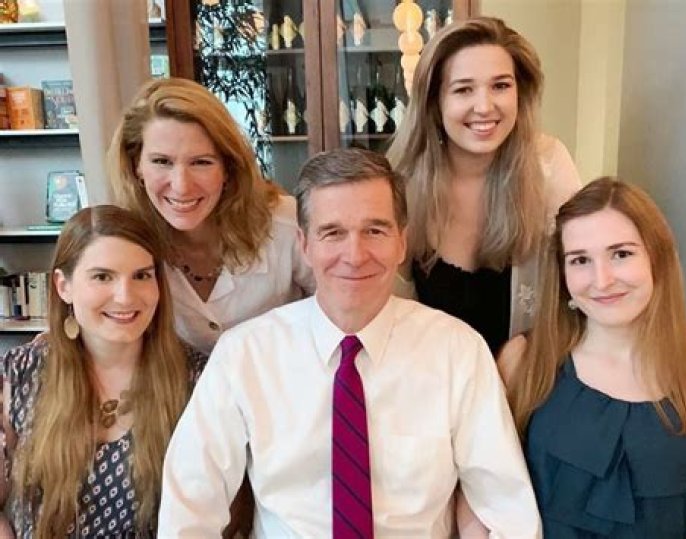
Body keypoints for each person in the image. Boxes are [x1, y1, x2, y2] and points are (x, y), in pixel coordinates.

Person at [157, 148, 541, 537]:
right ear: (304, 245)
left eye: (375, 231)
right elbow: (188, 509)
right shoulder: (245, 355)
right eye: (333, 233)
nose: (354, 256)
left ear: (401, 242)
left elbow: (509, 511)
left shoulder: (457, 352)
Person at [461, 178, 686, 537]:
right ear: (563, 275)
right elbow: (478, 495)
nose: (602, 280)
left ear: (657, 259)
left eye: (621, 254)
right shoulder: (524, 364)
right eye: (580, 260)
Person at [0, 206, 206, 537]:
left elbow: (222, 511)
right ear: (63, 286)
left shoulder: (197, 379)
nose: (125, 297)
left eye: (141, 276)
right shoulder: (21, 371)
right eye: (102, 277)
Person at [387, 16, 581, 356]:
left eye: (501, 86)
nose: (484, 106)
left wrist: (526, 356)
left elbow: (582, 283)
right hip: (430, 376)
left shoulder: (548, 164)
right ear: (434, 102)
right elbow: (390, 314)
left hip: (529, 376)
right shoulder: (400, 182)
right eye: (463, 89)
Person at [108, 77, 314, 356]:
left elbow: (346, 309)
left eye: (201, 162)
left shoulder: (287, 223)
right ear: (137, 166)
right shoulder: (122, 240)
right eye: (162, 162)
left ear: (228, 168)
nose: (181, 185)